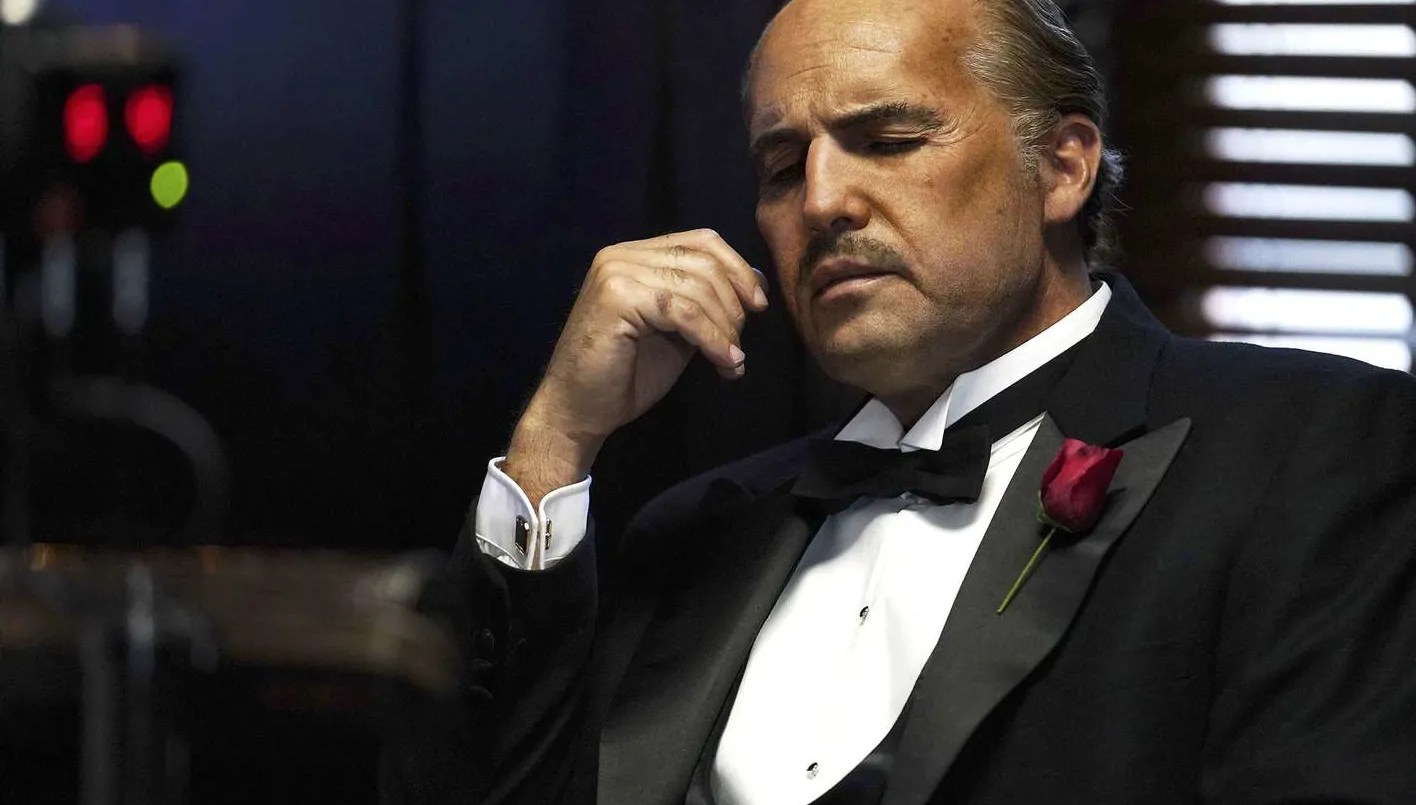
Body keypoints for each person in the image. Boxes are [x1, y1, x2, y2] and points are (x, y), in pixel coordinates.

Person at [382, 0, 1416, 803]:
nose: (821, 200)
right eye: (780, 167)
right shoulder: (695, 532)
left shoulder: (1307, 448)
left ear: (1063, 167)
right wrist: (555, 441)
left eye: (887, 139)